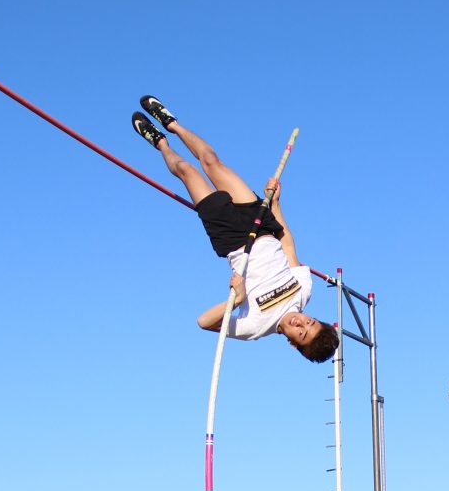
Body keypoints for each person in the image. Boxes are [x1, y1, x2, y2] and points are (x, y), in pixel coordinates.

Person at [131, 95, 338, 363]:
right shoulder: (304, 290)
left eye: (301, 333)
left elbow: (204, 322)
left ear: (292, 344)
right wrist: (276, 204)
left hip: (231, 238)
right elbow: (287, 244)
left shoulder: (254, 327)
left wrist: (238, 298)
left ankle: (160, 142)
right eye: (309, 322)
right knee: (211, 161)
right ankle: (172, 124)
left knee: (187, 171)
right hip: (261, 222)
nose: (301, 323)